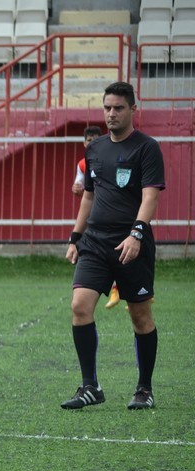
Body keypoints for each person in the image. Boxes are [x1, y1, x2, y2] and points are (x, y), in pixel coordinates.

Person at [62, 82, 164, 411]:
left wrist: (136, 234)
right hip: (95, 242)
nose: (111, 113)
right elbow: (88, 197)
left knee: (140, 316)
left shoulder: (147, 148)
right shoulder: (95, 149)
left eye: (118, 108)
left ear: (133, 109)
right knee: (80, 306)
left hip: (131, 243)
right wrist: (76, 237)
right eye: (107, 107)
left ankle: (144, 389)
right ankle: (90, 386)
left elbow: (150, 196)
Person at [72, 125, 122, 310]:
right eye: (88, 141)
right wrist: (76, 188)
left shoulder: (110, 158)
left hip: (112, 218)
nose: (91, 144)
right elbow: (82, 188)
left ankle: (126, 289)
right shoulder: (83, 164)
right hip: (91, 217)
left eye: (95, 140)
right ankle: (102, 286)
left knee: (117, 252)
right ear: (84, 143)